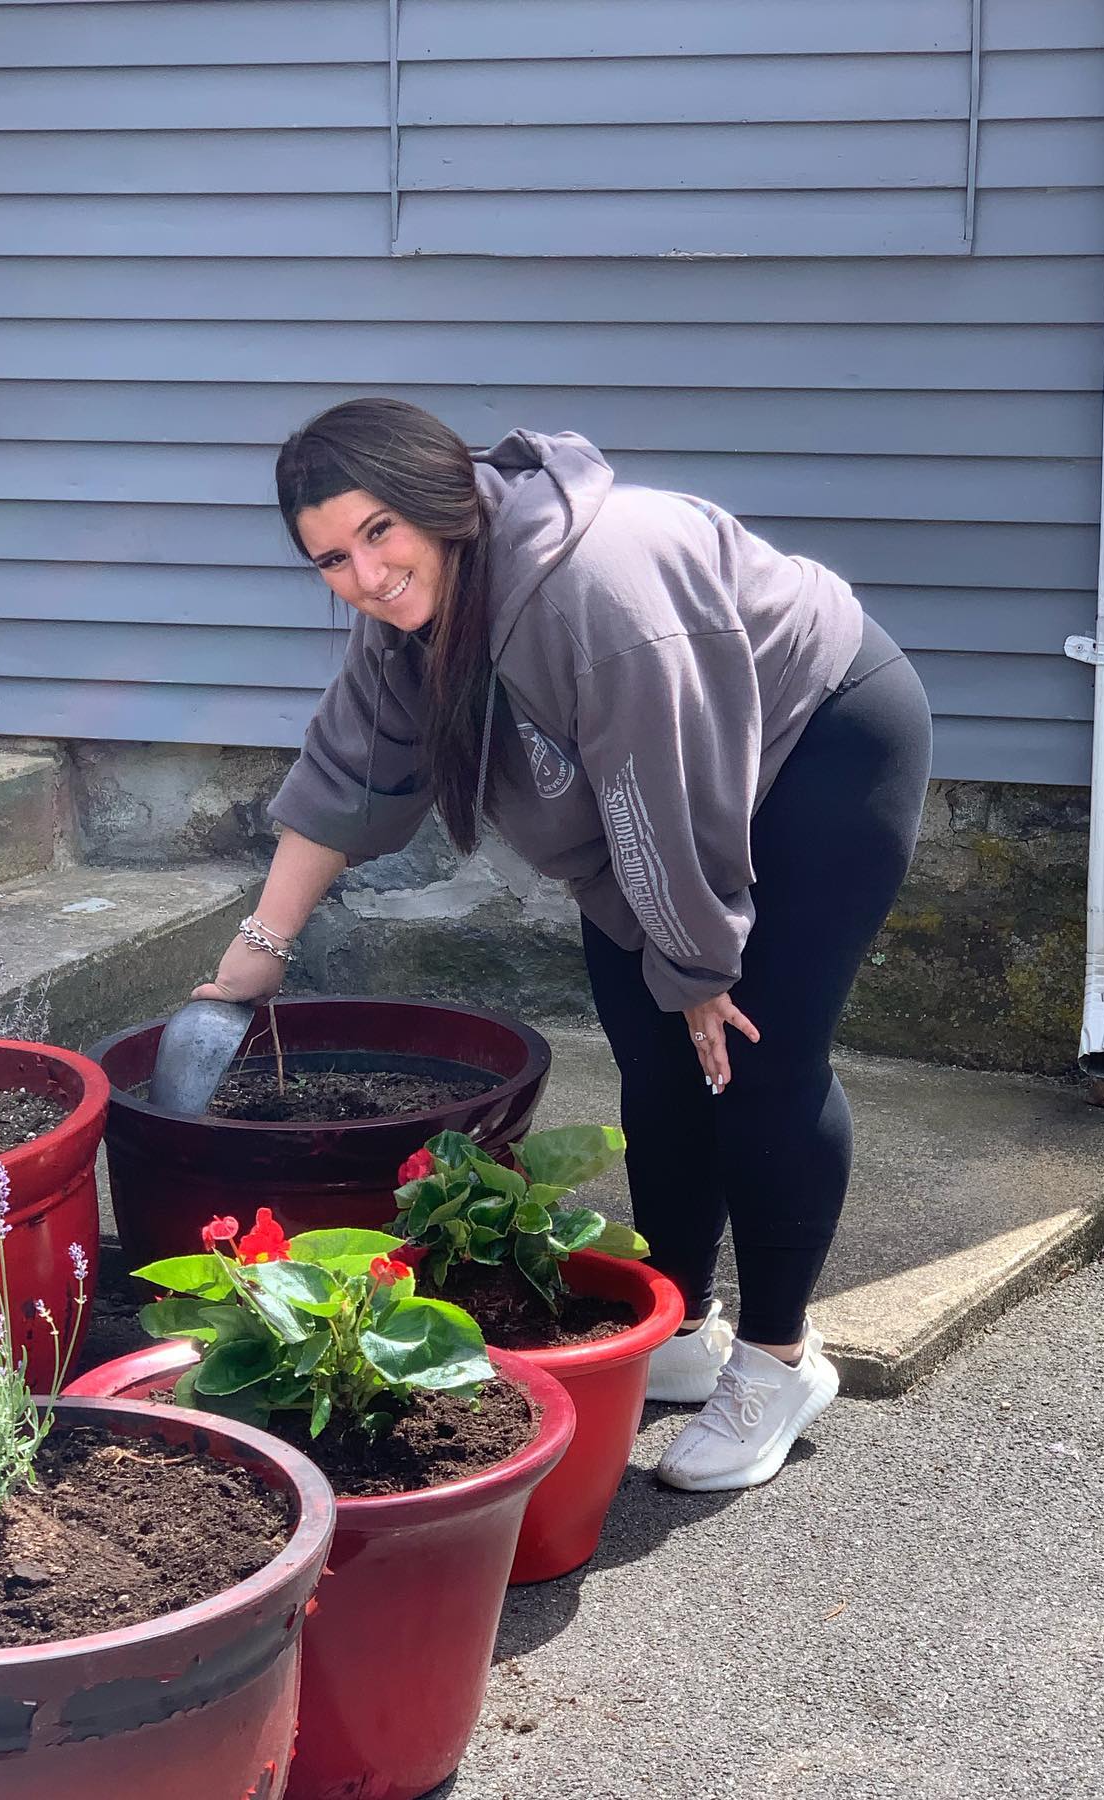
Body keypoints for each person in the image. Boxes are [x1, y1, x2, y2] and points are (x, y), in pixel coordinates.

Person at [195, 398, 932, 1492]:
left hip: (817, 743)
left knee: (755, 1055)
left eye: (379, 533)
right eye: (331, 559)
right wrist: (260, 946)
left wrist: (695, 968)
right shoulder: (412, 610)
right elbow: (352, 764)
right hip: (674, 781)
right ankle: (682, 1316)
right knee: (654, 1056)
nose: (363, 575)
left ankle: (780, 1360)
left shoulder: (599, 589)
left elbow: (660, 794)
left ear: (443, 503)